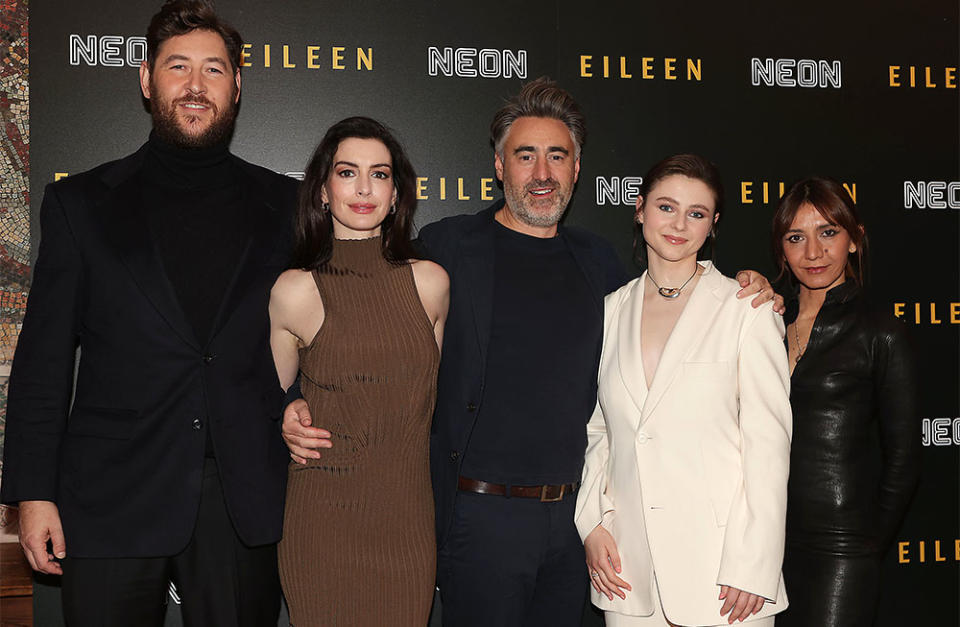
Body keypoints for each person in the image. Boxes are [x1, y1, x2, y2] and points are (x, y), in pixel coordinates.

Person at [282, 79, 778, 627]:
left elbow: (674, 305)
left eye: (557, 156)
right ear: (499, 166)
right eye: (526, 156)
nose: (542, 174)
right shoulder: (448, 248)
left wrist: (748, 284)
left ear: (577, 168)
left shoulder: (601, 263)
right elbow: (364, 318)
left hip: (575, 531)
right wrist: (295, 398)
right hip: (478, 521)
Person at [0, 1, 301, 624]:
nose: (196, 85)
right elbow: (43, 362)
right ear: (146, 79)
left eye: (214, 69)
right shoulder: (79, 203)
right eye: (178, 67)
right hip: (112, 495)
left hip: (242, 497)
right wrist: (32, 493)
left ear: (237, 85)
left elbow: (327, 337)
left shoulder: (290, 204)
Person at [576, 154, 791, 627]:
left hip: (726, 578)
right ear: (639, 210)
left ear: (713, 224)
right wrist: (592, 521)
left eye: (696, 213)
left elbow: (769, 445)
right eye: (666, 207)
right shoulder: (611, 310)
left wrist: (753, 564)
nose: (679, 224)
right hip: (629, 572)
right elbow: (599, 430)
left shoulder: (746, 309)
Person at [269, 116, 449, 626]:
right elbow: (273, 400)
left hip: (407, 518)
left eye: (380, 174)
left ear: (397, 194)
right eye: (348, 173)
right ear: (323, 190)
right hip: (322, 520)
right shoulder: (294, 290)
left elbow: (429, 403)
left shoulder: (431, 283)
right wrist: (286, 414)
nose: (365, 188)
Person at [771, 178, 919, 627]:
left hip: (842, 548)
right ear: (782, 250)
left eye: (828, 232)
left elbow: (905, 457)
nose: (813, 252)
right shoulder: (765, 323)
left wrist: (868, 544)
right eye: (797, 237)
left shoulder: (880, 331)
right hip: (766, 541)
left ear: (853, 239)